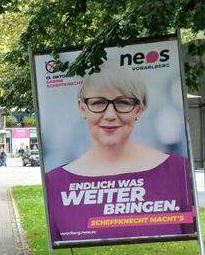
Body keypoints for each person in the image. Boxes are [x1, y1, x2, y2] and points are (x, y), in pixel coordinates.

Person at [45, 65, 193, 240]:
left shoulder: (179, 170)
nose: (110, 115)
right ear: (83, 108)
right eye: (98, 102)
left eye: (122, 102)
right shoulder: (55, 182)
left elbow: (189, 239)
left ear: (139, 109)